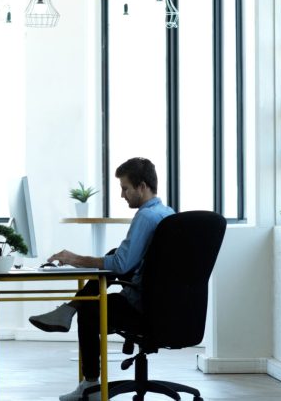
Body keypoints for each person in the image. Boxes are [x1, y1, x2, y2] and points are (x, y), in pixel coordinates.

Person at [29, 157, 174, 401]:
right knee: (110, 256)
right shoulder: (167, 213)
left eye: (125, 188)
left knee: (89, 309)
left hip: (141, 306)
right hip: (165, 305)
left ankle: (90, 383)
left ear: (142, 187)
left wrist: (75, 258)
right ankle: (68, 310)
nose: (122, 195)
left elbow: (120, 265)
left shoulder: (146, 217)